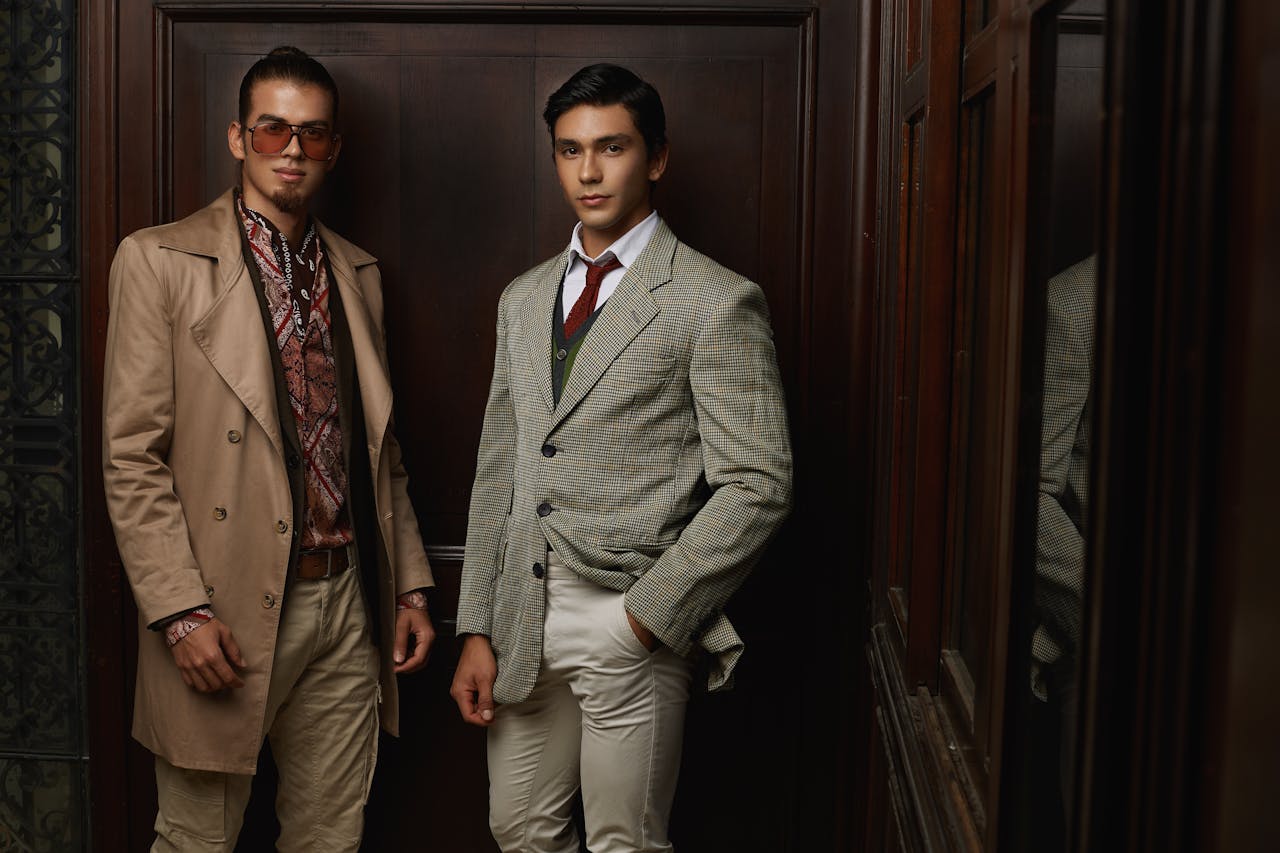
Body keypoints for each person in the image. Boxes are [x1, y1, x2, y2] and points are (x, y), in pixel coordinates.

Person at [450, 63, 793, 852]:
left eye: (611, 147)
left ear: (657, 157)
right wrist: (476, 624)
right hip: (520, 618)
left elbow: (760, 483)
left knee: (623, 842)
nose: (590, 171)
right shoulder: (524, 296)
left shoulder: (715, 299)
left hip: (628, 614)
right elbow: (498, 469)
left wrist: (644, 618)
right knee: (520, 830)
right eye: (570, 151)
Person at [102, 46, 435, 851]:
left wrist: (413, 586)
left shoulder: (358, 271)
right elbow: (130, 457)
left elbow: (379, 452)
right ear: (237, 138)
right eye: (273, 129)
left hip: (347, 602)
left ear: (334, 148)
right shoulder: (159, 260)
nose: (293, 149)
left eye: (314, 134)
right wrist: (179, 610)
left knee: (329, 838)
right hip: (224, 599)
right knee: (195, 840)